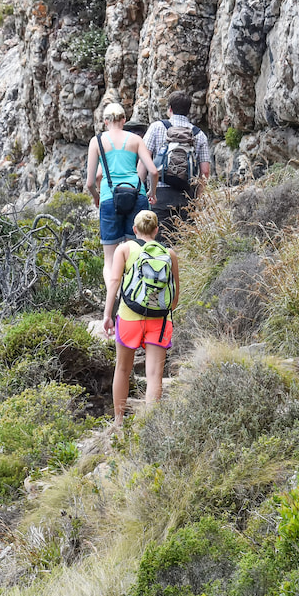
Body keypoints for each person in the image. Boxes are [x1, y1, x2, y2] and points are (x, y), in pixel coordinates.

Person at [103, 210, 179, 430]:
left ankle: (118, 424)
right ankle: (150, 428)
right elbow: (174, 296)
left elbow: (115, 280)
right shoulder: (169, 253)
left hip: (129, 317)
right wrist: (163, 312)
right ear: (156, 230)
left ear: (134, 229)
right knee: (155, 375)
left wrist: (108, 315)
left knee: (123, 370)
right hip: (160, 320)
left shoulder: (124, 249)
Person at [85, 102, 159, 289]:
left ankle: (113, 301)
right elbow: (153, 171)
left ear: (105, 121)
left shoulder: (97, 141)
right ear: (124, 120)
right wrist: (152, 192)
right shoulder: (135, 140)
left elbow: (90, 182)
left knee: (109, 259)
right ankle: (132, 296)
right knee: (134, 251)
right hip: (137, 196)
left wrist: (96, 197)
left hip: (109, 198)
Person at [143, 91, 212, 243]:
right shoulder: (199, 135)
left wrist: (142, 189)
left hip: (159, 194)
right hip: (186, 196)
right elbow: (205, 171)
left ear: (170, 109)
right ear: (189, 111)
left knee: (158, 245)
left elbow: (144, 160)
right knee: (184, 246)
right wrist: (196, 201)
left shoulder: (156, 127)